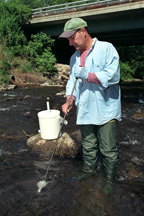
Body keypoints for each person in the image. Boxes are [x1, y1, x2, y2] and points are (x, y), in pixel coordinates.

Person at [59, 17, 121, 194]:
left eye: (72, 38)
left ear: (82, 31)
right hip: (85, 107)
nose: (70, 43)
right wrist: (69, 99)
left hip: (106, 108)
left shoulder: (106, 48)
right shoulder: (74, 58)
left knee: (108, 148)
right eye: (68, 39)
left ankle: (109, 179)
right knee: (88, 143)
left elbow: (113, 76)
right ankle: (88, 170)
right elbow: (72, 81)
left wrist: (87, 74)